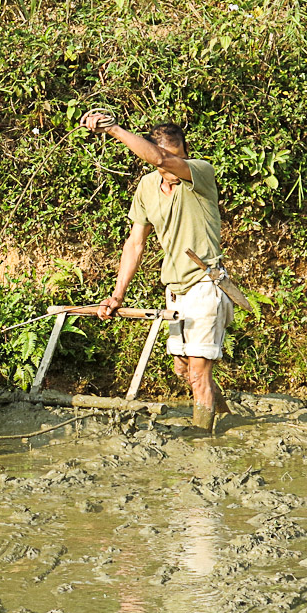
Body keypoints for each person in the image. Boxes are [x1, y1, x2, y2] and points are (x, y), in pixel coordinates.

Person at [81, 113, 233, 432]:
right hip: (175, 293)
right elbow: (135, 244)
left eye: (177, 158)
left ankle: (203, 441)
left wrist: (113, 128)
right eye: (164, 160)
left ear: (184, 154)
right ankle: (228, 415)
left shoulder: (200, 173)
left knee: (196, 374)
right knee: (183, 370)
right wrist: (116, 295)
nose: (170, 166)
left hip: (206, 286)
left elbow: (163, 156)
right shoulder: (148, 187)